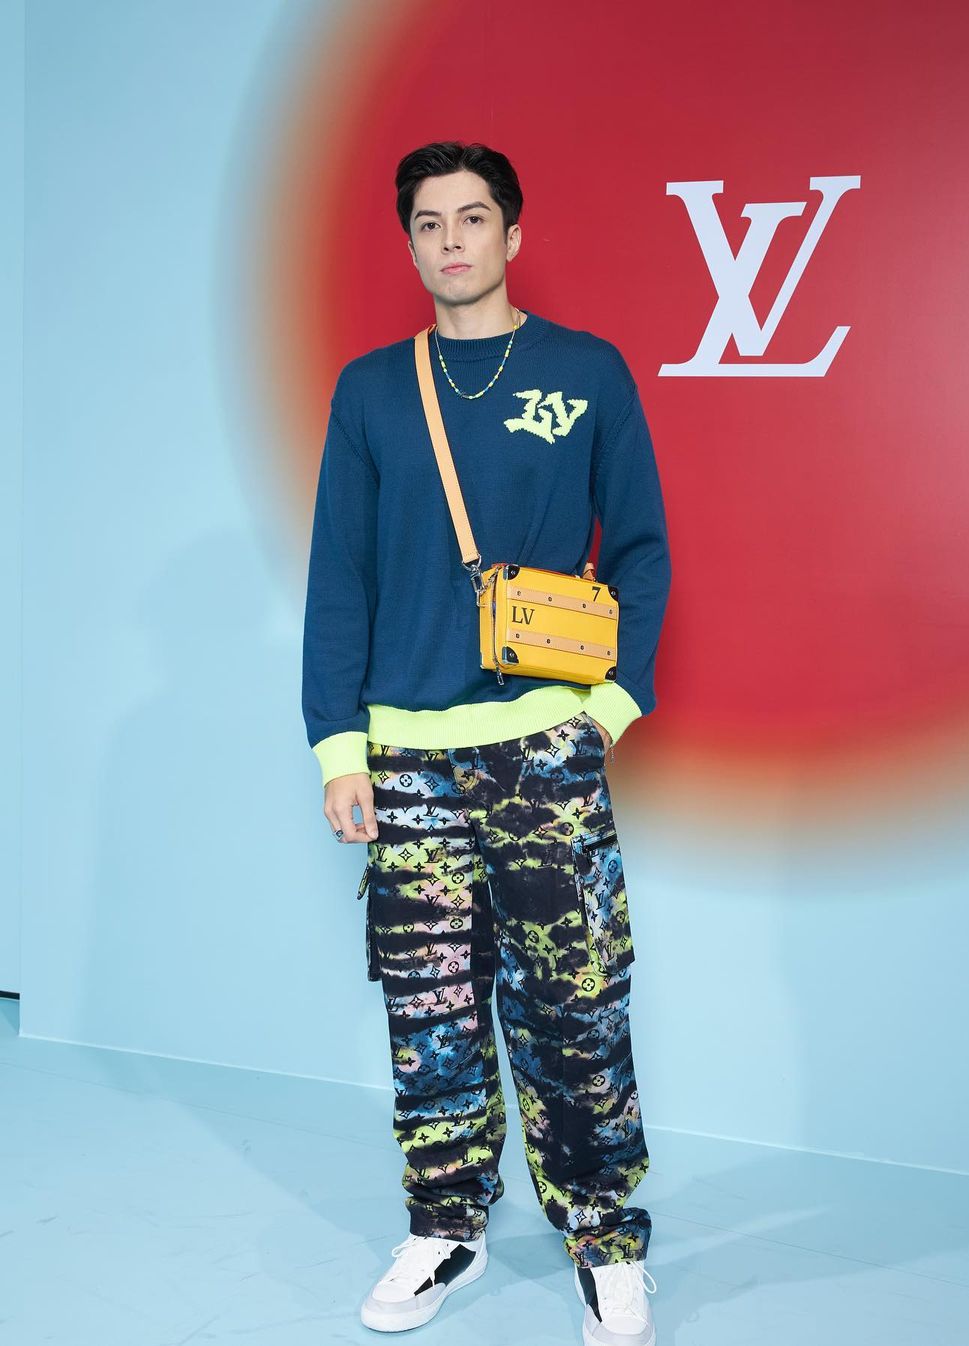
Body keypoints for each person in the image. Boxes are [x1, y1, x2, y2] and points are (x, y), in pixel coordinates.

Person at [301, 140, 672, 1346]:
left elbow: (643, 549)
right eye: (428, 222)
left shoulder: (586, 370)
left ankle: (607, 1240)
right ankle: (444, 1223)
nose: (451, 239)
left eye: (472, 218)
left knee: (575, 1000)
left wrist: (608, 710)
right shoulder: (371, 389)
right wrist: (338, 747)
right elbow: (339, 575)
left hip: (543, 749)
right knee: (432, 1006)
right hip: (405, 755)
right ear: (410, 244)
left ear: (512, 235)